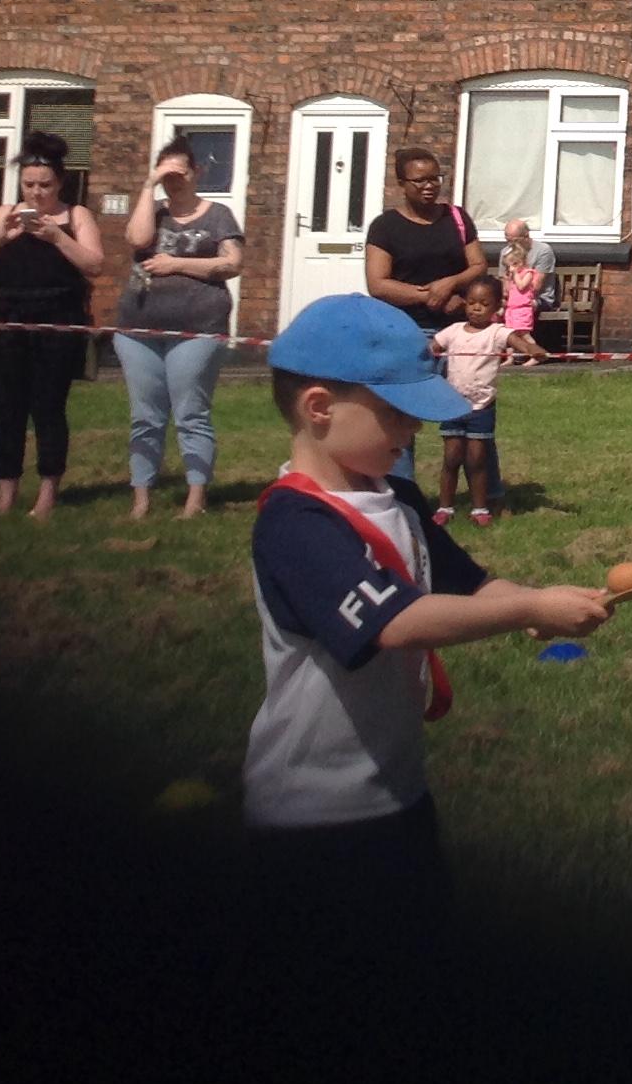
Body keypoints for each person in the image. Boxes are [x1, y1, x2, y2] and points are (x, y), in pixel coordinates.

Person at [245, 295, 608, 962]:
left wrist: (539, 601)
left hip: (398, 791)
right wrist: (528, 610)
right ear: (319, 408)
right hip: (313, 814)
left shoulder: (399, 497)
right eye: (396, 412)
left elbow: (470, 584)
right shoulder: (296, 523)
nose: (413, 428)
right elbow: (397, 623)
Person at [0, 132, 103, 519]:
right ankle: (6, 494)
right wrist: (1, 237)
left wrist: (57, 237)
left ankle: (47, 493)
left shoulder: (76, 216)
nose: (36, 193)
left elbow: (95, 264)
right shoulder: (5, 214)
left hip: (57, 320)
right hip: (3, 319)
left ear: (59, 183)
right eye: (29, 185)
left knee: (48, 407)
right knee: (6, 409)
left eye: (44, 185)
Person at [114, 135, 242, 519]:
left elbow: (232, 264)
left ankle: (195, 498)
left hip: (198, 327)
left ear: (196, 172)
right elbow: (137, 240)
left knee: (190, 412)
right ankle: (141, 499)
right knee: (145, 415)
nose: (174, 182)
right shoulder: (152, 211)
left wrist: (177, 264)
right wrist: (148, 185)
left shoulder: (218, 215)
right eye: (166, 176)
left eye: (179, 174)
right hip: (139, 328)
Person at [364, 146, 488, 489]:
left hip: (460, 333)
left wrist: (451, 283)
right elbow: (378, 284)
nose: (430, 186)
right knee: (401, 416)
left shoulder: (457, 218)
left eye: (435, 178)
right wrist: (429, 296)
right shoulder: (386, 227)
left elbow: (478, 264)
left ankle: (487, 493)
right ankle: (403, 492)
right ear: (402, 183)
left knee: (473, 415)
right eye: (420, 180)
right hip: (406, 331)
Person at [430, 276, 545, 527]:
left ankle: (480, 508)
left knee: (477, 460)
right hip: (452, 406)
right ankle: (445, 507)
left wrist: (531, 349)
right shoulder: (453, 331)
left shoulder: (496, 332)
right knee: (451, 458)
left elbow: (516, 340)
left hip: (481, 408)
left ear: (496, 307)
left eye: (484, 304)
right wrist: (425, 351)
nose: (476, 308)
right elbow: (433, 346)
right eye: (472, 302)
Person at [499, 218, 548, 352]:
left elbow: (536, 286)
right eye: (507, 240)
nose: (510, 244)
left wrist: (515, 275)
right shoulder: (506, 252)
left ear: (526, 236)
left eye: (514, 240)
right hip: (514, 300)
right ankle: (505, 354)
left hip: (536, 298)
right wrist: (504, 296)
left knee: (522, 331)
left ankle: (536, 353)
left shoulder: (542, 251)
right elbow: (504, 281)